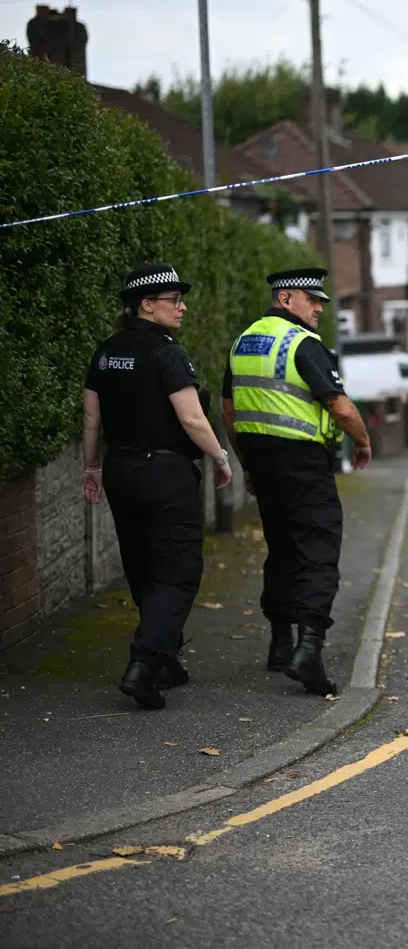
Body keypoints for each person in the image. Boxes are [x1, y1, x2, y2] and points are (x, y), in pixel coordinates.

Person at [82, 263, 234, 710]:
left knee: (144, 568)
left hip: (121, 472)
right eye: (174, 300)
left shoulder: (106, 351)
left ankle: (164, 659)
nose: (183, 308)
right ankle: (144, 665)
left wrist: (91, 467)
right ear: (146, 305)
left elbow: (92, 419)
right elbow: (191, 417)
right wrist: (221, 457)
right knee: (178, 572)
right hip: (164, 475)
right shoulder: (167, 352)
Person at [221, 268, 372, 697]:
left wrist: (248, 460)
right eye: (313, 299)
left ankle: (280, 643)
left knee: (282, 548)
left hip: (262, 462)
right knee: (317, 553)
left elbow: (229, 410)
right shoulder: (303, 344)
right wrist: (362, 442)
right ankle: (308, 651)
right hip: (304, 462)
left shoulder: (243, 341)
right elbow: (340, 407)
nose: (320, 308)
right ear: (286, 298)